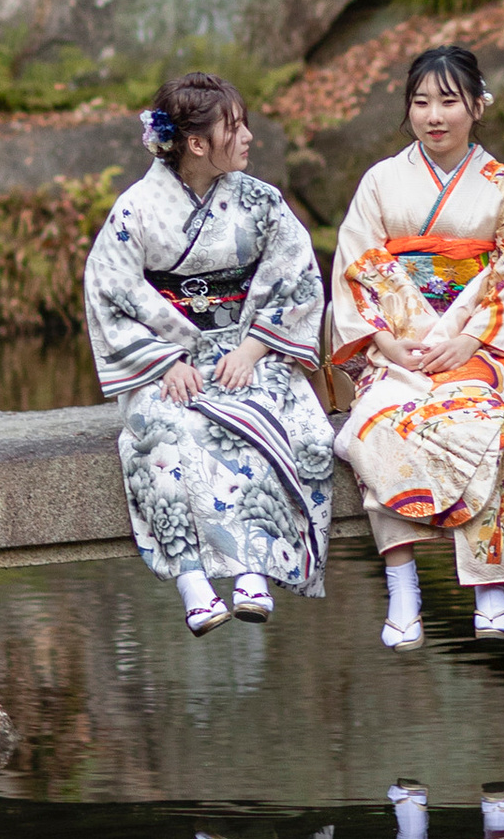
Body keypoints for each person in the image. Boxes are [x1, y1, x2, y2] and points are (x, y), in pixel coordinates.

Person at [82, 71, 336, 635]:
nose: (247, 137)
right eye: (234, 127)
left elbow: (296, 275)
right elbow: (110, 290)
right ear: (197, 144)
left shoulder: (260, 201)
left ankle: (255, 570)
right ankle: (192, 579)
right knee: (161, 436)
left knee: (304, 432)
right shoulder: (136, 210)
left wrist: (252, 348)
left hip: (249, 348)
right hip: (166, 358)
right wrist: (164, 361)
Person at [329, 44, 504, 651]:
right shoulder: (381, 181)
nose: (434, 115)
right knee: (378, 424)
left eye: (449, 101)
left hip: (476, 343)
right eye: (421, 102)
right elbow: (358, 263)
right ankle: (402, 584)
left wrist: (465, 340)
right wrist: (385, 340)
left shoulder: (503, 184)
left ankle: (489, 582)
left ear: (477, 107)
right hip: (396, 349)